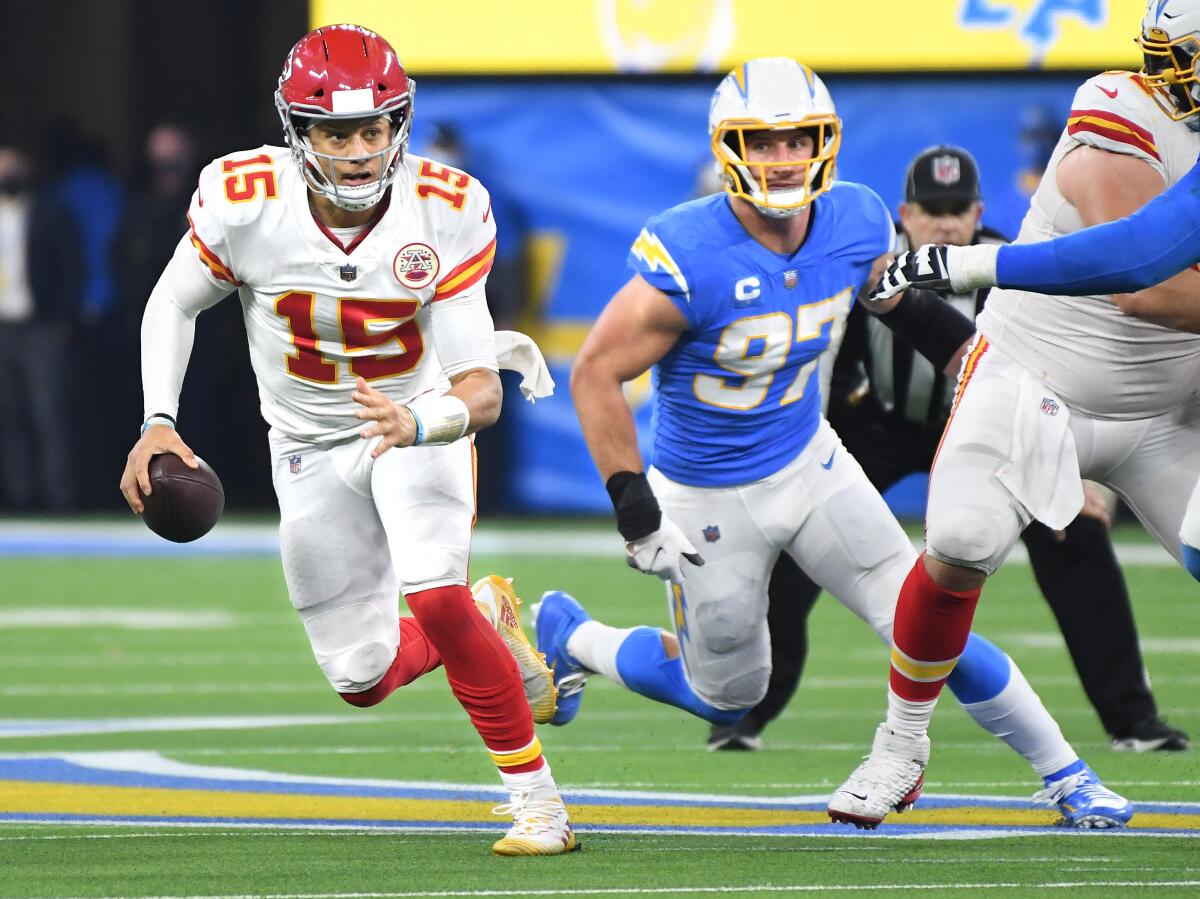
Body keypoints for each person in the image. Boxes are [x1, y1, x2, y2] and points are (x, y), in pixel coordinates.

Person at [540, 57, 1130, 830]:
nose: (782, 158)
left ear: (827, 141)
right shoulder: (688, 250)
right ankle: (573, 635)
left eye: (799, 139)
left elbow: (898, 301)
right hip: (707, 493)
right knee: (729, 692)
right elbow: (593, 374)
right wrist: (635, 509)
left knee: (928, 618)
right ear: (730, 149)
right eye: (762, 142)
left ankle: (1069, 776)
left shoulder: (853, 218)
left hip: (809, 463)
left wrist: (979, 364)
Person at [117, 24, 576, 857]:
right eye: (336, 131)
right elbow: (171, 304)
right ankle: (484, 614)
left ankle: (538, 802)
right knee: (359, 677)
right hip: (305, 444)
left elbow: (480, 392)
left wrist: (415, 422)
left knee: (431, 589)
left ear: (399, 124)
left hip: (416, 421)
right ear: (299, 131)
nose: (360, 151)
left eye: (373, 129)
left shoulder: (447, 206)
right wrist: (158, 419)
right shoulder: (245, 197)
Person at [836, 1, 1200, 827]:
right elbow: (1142, 276)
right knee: (961, 540)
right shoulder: (1122, 109)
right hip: (1042, 380)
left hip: (1172, 407)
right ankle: (901, 742)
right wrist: (974, 263)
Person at [708, 146, 1187, 755]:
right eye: (931, 211)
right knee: (800, 543)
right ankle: (745, 714)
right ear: (905, 214)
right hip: (877, 427)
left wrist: (1086, 472)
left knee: (1075, 535)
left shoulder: (1019, 265)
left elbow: (1070, 364)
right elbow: (820, 362)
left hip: (993, 429)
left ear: (979, 212)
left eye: (957, 210)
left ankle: (1133, 721)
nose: (944, 225)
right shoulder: (871, 267)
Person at [0, 144, 84, 511]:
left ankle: (58, 500)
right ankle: (20, 498)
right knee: (9, 416)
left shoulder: (50, 212)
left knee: (49, 414)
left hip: (41, 327)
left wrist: (63, 321)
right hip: (3, 328)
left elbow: (73, 267)